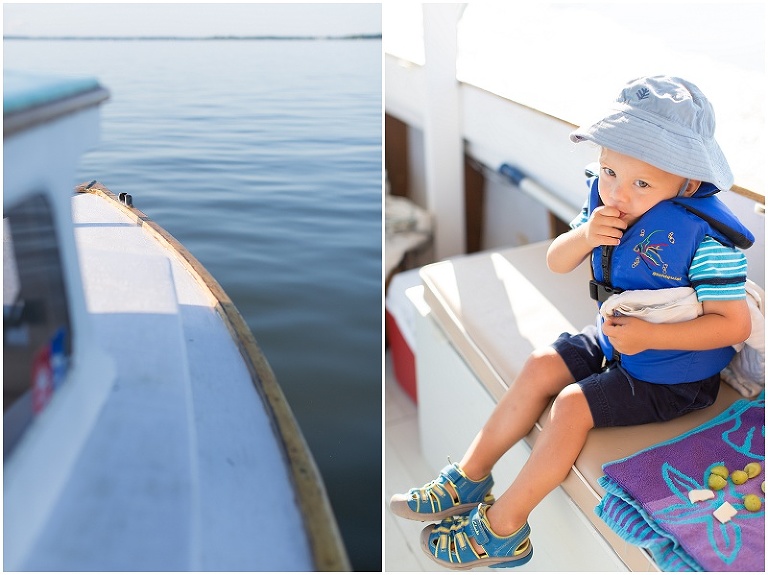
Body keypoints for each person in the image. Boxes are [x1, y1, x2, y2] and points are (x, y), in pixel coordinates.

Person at [388, 75, 754, 570]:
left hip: (674, 374)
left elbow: (733, 326)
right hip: (616, 336)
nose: (618, 194)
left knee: (570, 406)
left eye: (641, 183)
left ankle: (504, 530)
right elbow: (558, 262)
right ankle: (471, 474)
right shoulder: (605, 204)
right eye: (608, 173)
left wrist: (653, 335)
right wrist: (585, 235)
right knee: (541, 365)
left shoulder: (707, 242)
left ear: (687, 183)